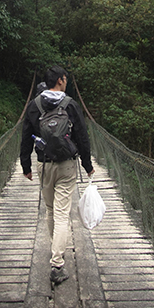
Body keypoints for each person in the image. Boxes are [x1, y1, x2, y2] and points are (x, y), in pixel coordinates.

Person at [20, 65, 94, 285]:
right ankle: (57, 262)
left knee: (51, 210)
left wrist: (26, 166)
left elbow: (25, 137)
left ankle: (56, 250)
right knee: (62, 213)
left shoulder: (34, 106)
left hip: (44, 165)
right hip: (66, 166)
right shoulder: (70, 105)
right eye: (65, 79)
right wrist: (87, 164)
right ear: (61, 80)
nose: (67, 82)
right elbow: (82, 135)